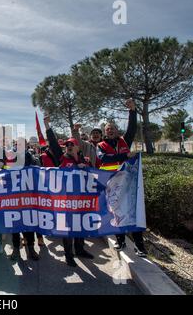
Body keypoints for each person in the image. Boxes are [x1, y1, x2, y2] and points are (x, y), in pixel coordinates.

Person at [97, 98, 147, 257]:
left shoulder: (124, 140)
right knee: (115, 213)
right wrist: (124, 155)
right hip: (111, 184)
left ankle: (140, 247)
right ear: (105, 132)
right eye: (107, 129)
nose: (110, 130)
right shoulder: (100, 146)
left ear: (117, 130)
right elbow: (103, 159)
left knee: (132, 213)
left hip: (128, 184)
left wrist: (132, 110)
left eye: (112, 128)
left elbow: (132, 127)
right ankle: (120, 241)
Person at [43, 114, 94, 267]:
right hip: (65, 201)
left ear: (78, 147)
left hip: (82, 200)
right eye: (67, 145)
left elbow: (95, 177)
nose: (69, 147)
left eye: (72, 145)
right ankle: (69, 255)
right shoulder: (62, 158)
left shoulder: (86, 160)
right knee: (68, 228)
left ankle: (80, 250)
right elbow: (52, 142)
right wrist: (47, 126)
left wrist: (86, 169)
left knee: (81, 226)